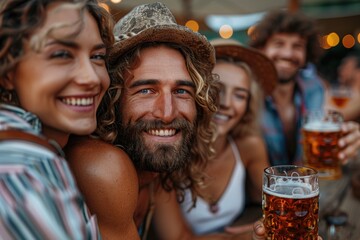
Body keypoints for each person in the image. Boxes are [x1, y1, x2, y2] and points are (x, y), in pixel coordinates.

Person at [65, 2, 269, 240]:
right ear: (113, 97)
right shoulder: (103, 163)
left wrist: (253, 237)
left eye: (181, 91)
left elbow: (181, 237)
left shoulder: (154, 163)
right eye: (146, 90)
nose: (167, 113)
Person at [0, 0, 119, 238]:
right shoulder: (24, 164)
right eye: (62, 54)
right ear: (8, 71)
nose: (91, 78)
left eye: (97, 56)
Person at [179, 38, 275, 235]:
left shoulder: (248, 146)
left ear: (248, 105)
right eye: (217, 89)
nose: (226, 104)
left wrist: (262, 225)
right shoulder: (172, 151)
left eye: (240, 95)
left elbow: (272, 207)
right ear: (198, 90)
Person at [248, 9, 360, 166]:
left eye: (297, 46)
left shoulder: (313, 87)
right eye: (279, 44)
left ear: (306, 54)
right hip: (262, 187)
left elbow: (329, 116)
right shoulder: (246, 93)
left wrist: (350, 135)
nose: (288, 53)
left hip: (305, 184)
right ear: (261, 49)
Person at [325, 50, 360, 122]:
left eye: (346, 66)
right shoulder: (343, 90)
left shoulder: (357, 96)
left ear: (357, 71)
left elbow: (339, 116)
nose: (340, 69)